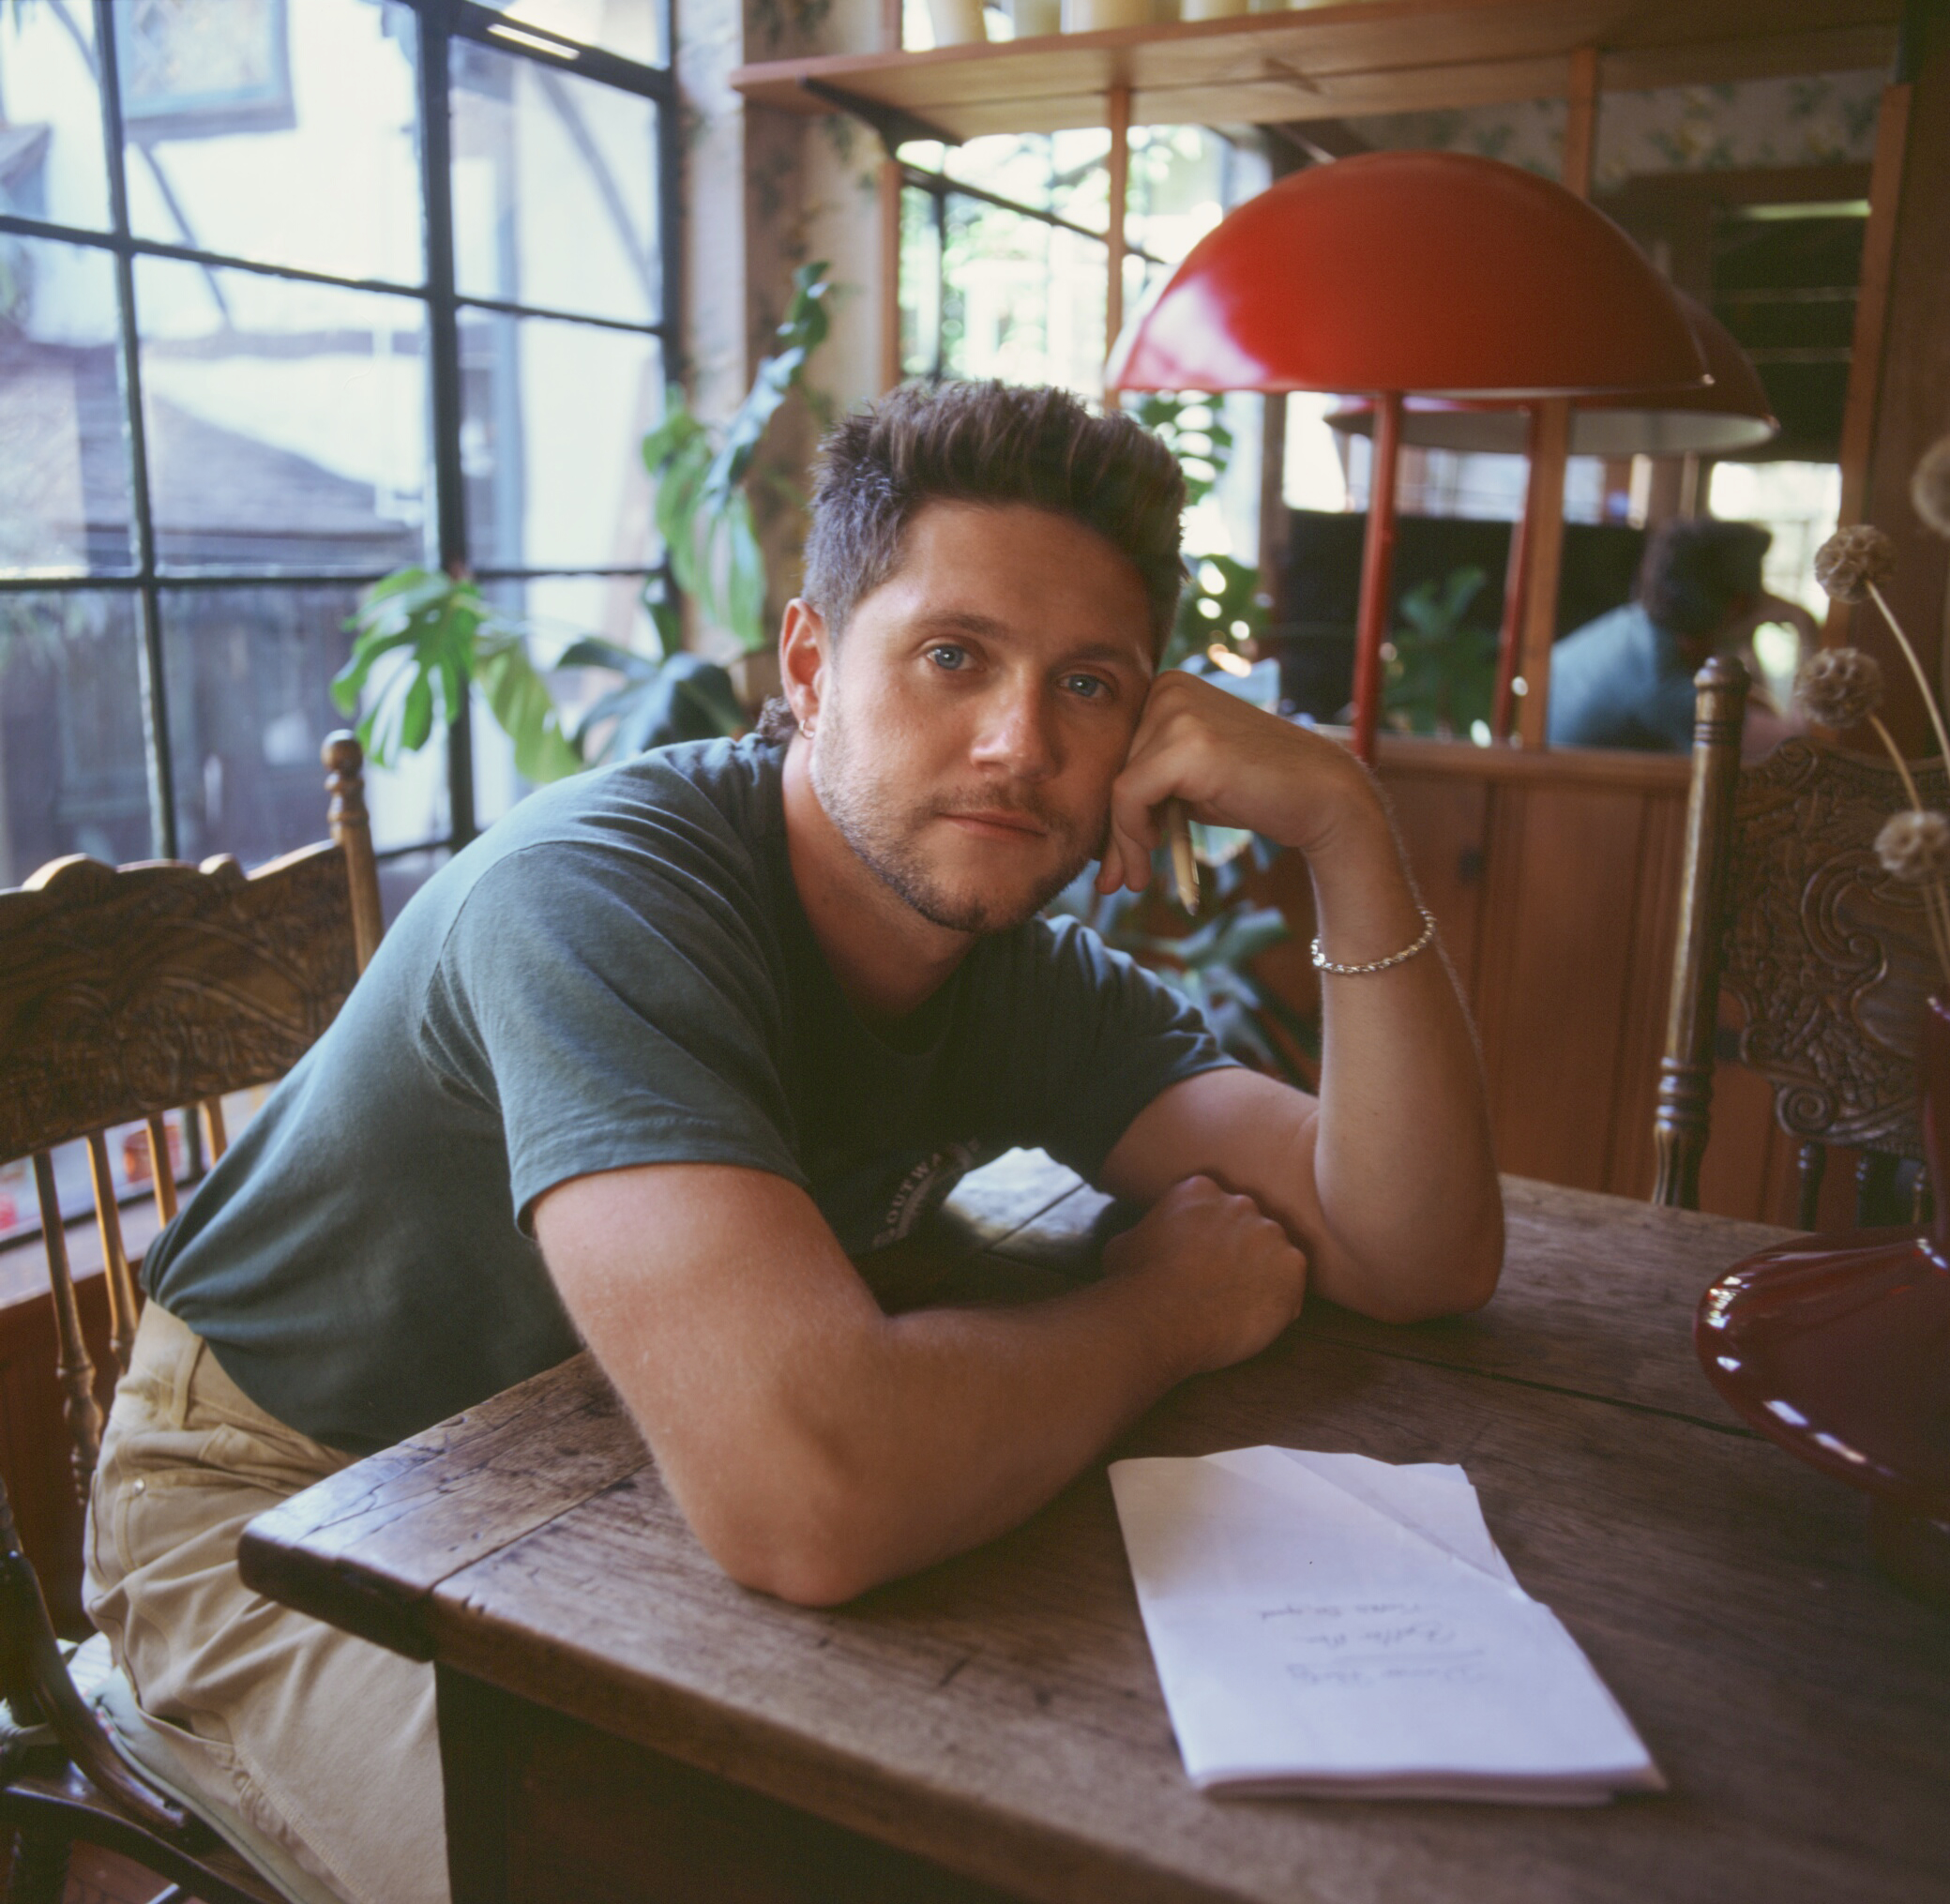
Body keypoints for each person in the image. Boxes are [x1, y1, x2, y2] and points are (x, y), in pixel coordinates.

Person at [84, 381, 1504, 1904]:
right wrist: (1160, 1311)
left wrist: (1343, 825)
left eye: (1087, 686)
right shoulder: (598, 898)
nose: (1017, 743)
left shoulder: (1014, 972)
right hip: (284, 1498)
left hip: (598, 1468)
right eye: (952, 657)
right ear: (813, 665)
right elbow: (811, 1498)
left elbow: (1408, 1250)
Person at [1546, 517, 1813, 755]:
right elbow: (1796, 749)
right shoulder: (1662, 687)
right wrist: (1805, 624)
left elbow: (1752, 705)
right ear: (1738, 604)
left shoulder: (1637, 624)